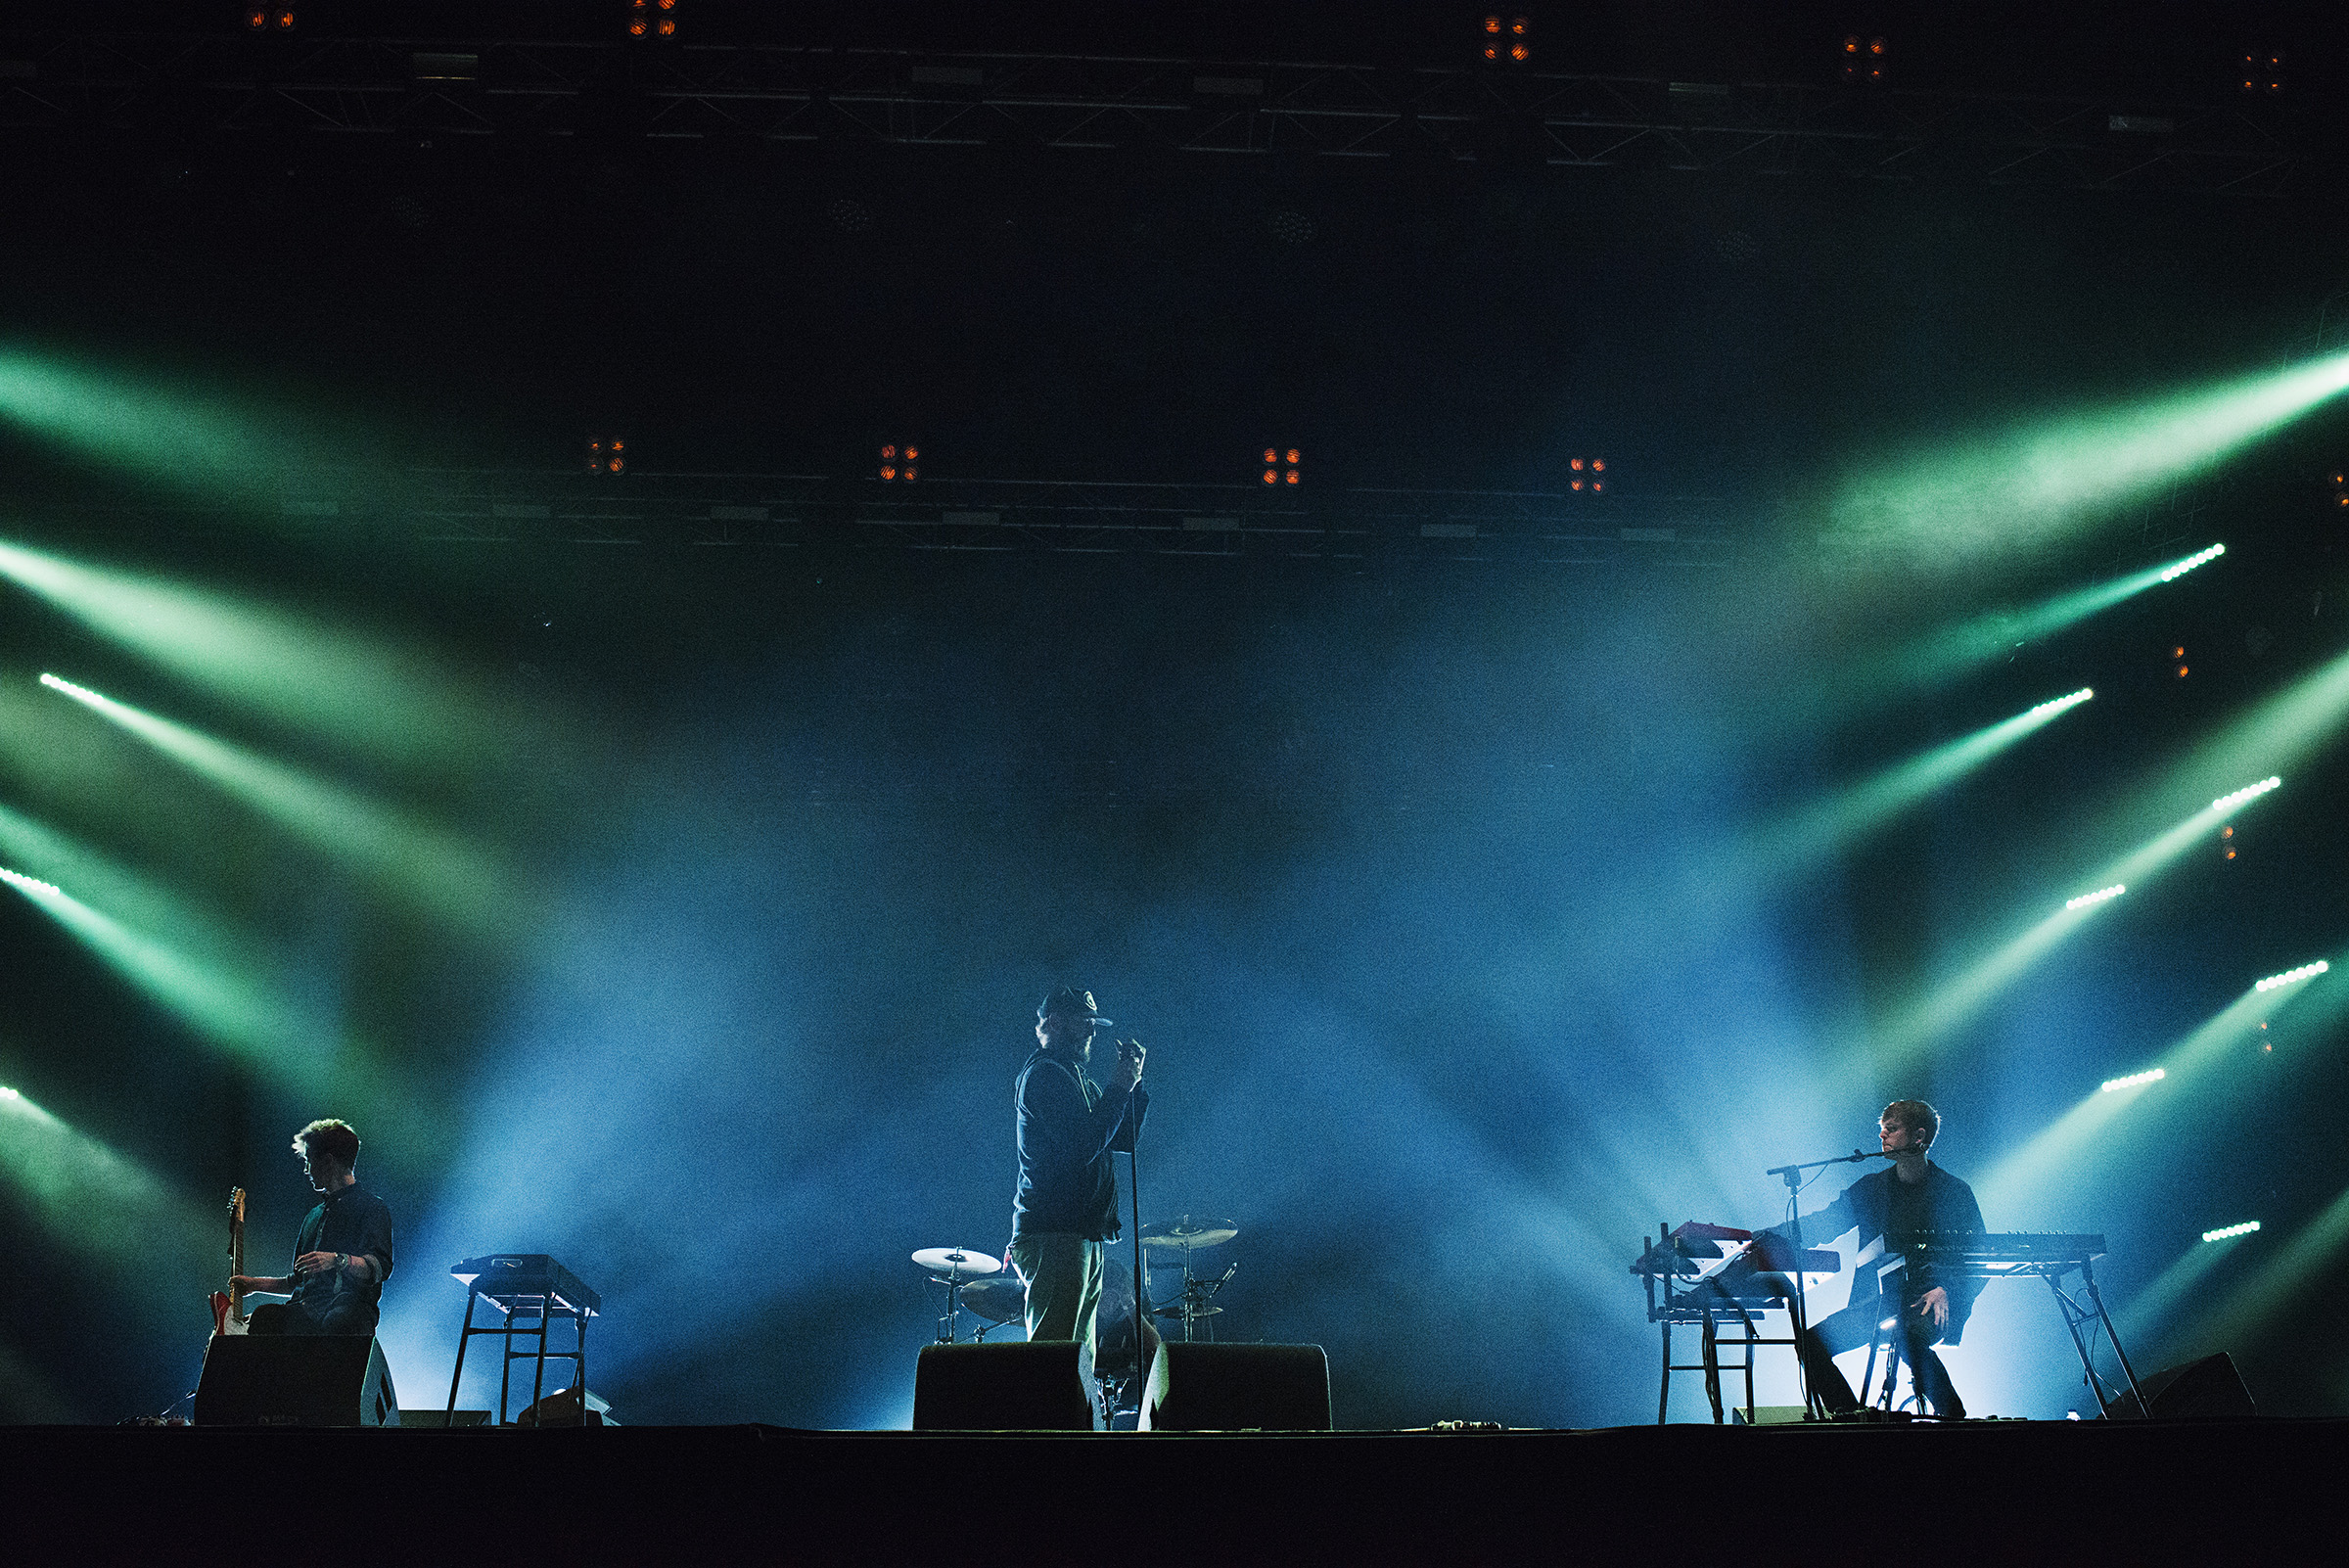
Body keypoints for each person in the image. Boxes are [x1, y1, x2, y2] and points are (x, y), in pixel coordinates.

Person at [1760, 1099, 1985, 1418]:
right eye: (1882, 1129)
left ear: (1919, 1136)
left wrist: (1946, 1288)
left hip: (1930, 1303)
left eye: (1892, 1129)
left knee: (1906, 1336)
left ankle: (1953, 1418)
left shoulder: (1954, 1192)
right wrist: (1769, 1235)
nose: (1882, 1135)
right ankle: (1851, 1416)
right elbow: (1823, 1222)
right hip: (1878, 1303)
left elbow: (1978, 1257)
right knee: (1812, 1344)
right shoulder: (1872, 1188)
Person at [1007, 985, 1147, 1360]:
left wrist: (1132, 1087)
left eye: (1094, 1022)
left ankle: (1067, 1417)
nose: (1092, 1031)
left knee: (1077, 1361)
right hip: (1055, 1234)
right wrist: (1119, 1086)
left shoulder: (1077, 1078)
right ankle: (1043, 1419)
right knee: (1054, 1358)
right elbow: (1082, 1146)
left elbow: (1121, 1139)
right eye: (1083, 1022)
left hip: (1081, 1234)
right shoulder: (1045, 1076)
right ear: (1054, 1022)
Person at [230, 1119, 395, 1337]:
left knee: (338, 1322)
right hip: (305, 1311)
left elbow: (379, 1267)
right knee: (265, 1317)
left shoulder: (372, 1207)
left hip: (348, 1310)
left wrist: (337, 1260)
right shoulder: (313, 1216)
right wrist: (255, 1283)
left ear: (328, 1161)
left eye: (309, 1160)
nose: (307, 1169)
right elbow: (298, 1281)